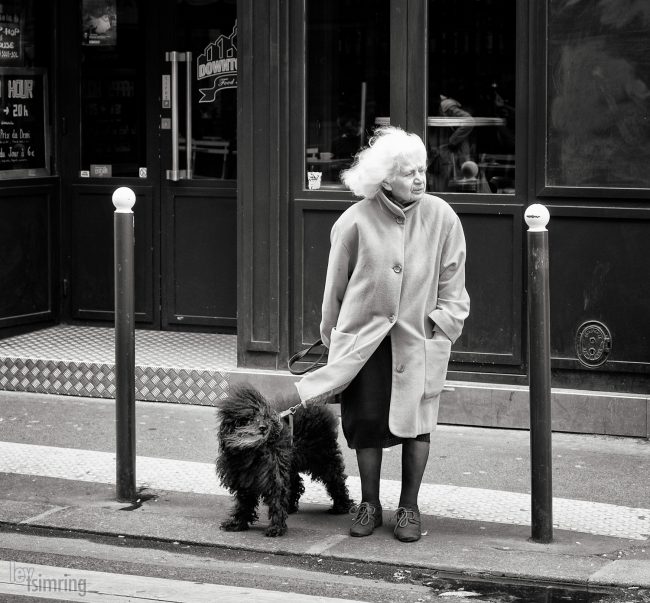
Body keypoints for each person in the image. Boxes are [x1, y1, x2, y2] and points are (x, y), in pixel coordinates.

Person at [292, 126, 470, 543]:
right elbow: (333, 290)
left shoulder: (443, 217)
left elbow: (454, 285)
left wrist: (440, 327)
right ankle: (368, 503)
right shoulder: (353, 220)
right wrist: (336, 339)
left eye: (422, 170)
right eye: (409, 172)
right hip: (365, 342)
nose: (420, 179)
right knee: (366, 422)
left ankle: (409, 507)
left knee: (417, 424)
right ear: (384, 178)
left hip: (418, 339)